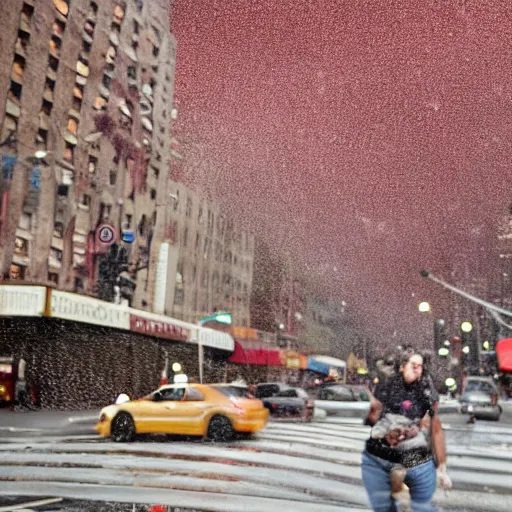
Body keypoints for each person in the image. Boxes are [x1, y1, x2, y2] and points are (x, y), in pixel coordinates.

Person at [362, 350, 452, 512]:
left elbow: (435, 429)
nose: (417, 369)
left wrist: (442, 466)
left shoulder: (426, 392)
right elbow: (374, 418)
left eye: (420, 366)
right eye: (413, 365)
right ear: (403, 367)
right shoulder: (387, 387)